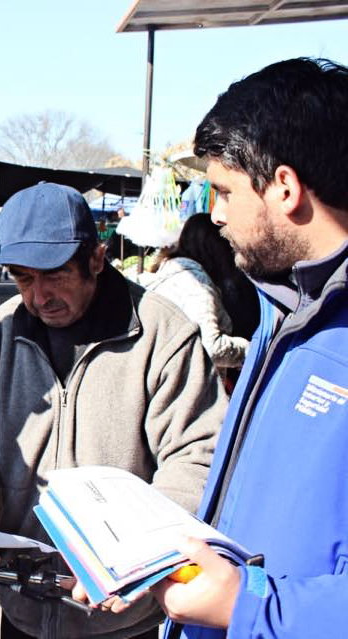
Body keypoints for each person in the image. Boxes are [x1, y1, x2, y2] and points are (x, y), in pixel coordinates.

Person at [0, 182, 228, 639]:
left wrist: (132, 555)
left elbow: (196, 457)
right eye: (23, 277)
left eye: (55, 275)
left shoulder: (163, 336)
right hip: (21, 604)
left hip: (124, 615)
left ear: (96, 258)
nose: (39, 296)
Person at [137, 57, 348, 639]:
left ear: (285, 187)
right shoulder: (282, 310)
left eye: (224, 190)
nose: (215, 213)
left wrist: (251, 607)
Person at [142, 214, 256, 375]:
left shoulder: (172, 274)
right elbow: (211, 347)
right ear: (217, 247)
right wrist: (250, 350)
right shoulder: (196, 284)